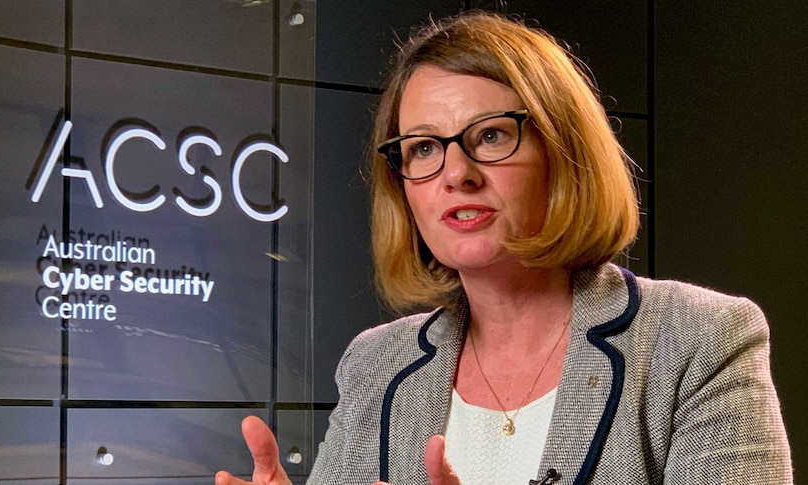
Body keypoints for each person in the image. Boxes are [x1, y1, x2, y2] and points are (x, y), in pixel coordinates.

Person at [216, 11, 793, 485]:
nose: (455, 173)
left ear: (564, 154)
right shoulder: (375, 364)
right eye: (422, 148)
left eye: (490, 135)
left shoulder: (700, 340)